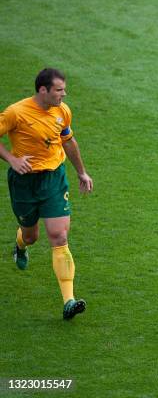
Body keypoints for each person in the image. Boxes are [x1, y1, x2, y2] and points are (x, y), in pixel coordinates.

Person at [0, 68, 93, 319]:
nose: (64, 94)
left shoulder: (62, 111)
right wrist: (11, 158)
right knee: (31, 236)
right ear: (44, 90)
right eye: (59, 90)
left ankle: (69, 301)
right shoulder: (16, 112)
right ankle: (20, 245)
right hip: (24, 182)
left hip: (53, 178)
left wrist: (81, 173)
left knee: (59, 236)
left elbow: (68, 141)